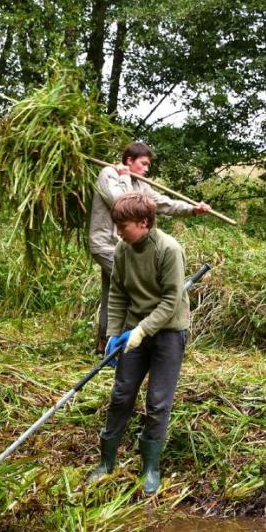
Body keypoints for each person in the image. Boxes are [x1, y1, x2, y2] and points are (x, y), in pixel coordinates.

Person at [89, 193, 191, 494]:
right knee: (121, 394)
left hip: (169, 332)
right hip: (133, 331)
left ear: (144, 222)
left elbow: (172, 300)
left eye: (124, 225)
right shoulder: (122, 249)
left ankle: (150, 468)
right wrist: (113, 333)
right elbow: (118, 293)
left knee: (158, 401)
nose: (119, 231)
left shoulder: (168, 250)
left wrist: (143, 330)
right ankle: (106, 462)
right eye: (116, 224)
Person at [87, 141, 210, 355]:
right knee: (125, 289)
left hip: (123, 245)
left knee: (111, 293)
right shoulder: (109, 174)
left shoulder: (141, 184)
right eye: (143, 164)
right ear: (129, 161)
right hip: (106, 245)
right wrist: (124, 176)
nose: (146, 169)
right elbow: (121, 203)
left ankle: (104, 343)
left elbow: (161, 203)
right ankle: (131, 344)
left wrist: (192, 209)